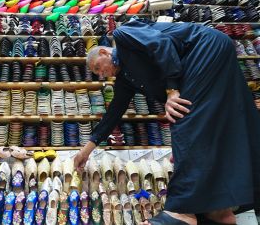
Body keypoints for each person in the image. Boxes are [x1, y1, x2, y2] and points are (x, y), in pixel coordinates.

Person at [73, 17, 260, 225]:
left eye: (99, 68)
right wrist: (85, 151)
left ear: (104, 52)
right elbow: (113, 114)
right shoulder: (125, 79)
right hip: (205, 59)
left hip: (205, 48)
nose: (101, 74)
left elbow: (161, 44)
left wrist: (172, 90)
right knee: (208, 126)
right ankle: (219, 210)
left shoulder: (123, 36)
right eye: (97, 74)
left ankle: (181, 211)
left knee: (184, 121)